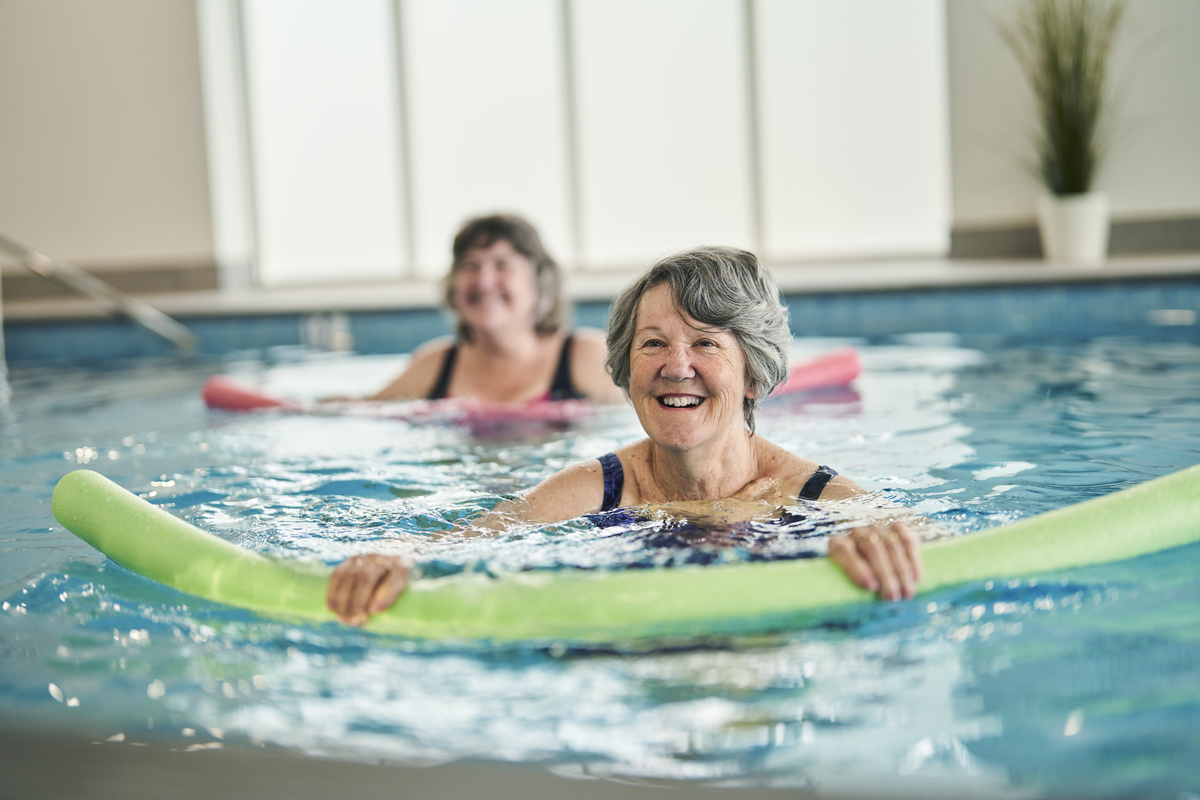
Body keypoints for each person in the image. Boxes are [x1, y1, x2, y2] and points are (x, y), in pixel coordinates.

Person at [327, 246, 923, 626]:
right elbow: (473, 539)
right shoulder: (601, 488)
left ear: (753, 372)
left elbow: (934, 545)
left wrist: (883, 546)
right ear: (626, 366)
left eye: (706, 343)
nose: (676, 365)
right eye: (653, 343)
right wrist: (398, 553)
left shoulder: (814, 497)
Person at [358, 213, 623, 404]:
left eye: (502, 265)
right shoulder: (437, 364)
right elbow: (358, 411)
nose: (483, 281)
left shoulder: (587, 356)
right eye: (470, 266)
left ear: (539, 282)